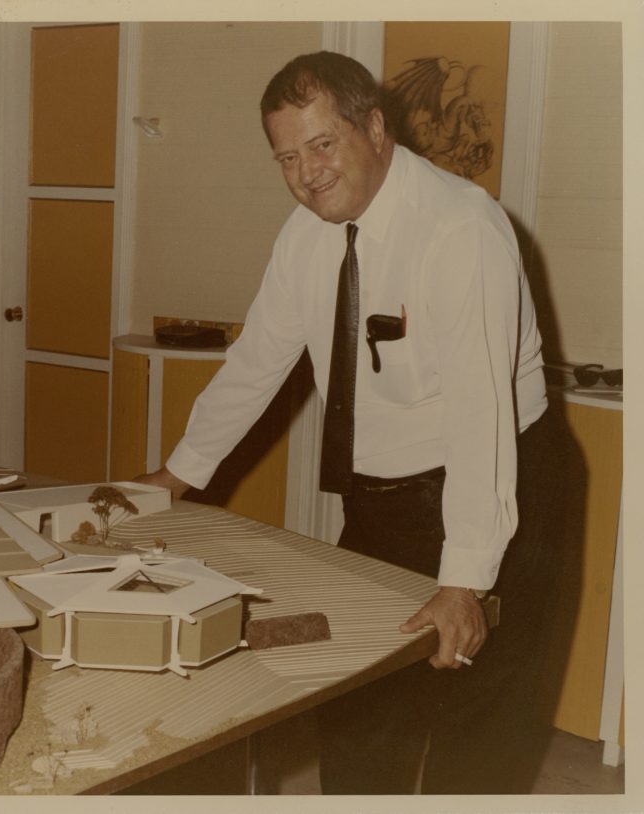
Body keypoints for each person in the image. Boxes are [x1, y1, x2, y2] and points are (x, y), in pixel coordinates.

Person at [136, 51, 580, 794]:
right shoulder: (306, 237)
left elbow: (480, 417)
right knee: (360, 708)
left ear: (374, 128)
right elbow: (257, 363)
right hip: (386, 498)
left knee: (479, 728)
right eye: (286, 157)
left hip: (505, 485)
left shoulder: (459, 230)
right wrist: (178, 473)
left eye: (321, 144)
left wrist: (465, 582)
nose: (306, 173)